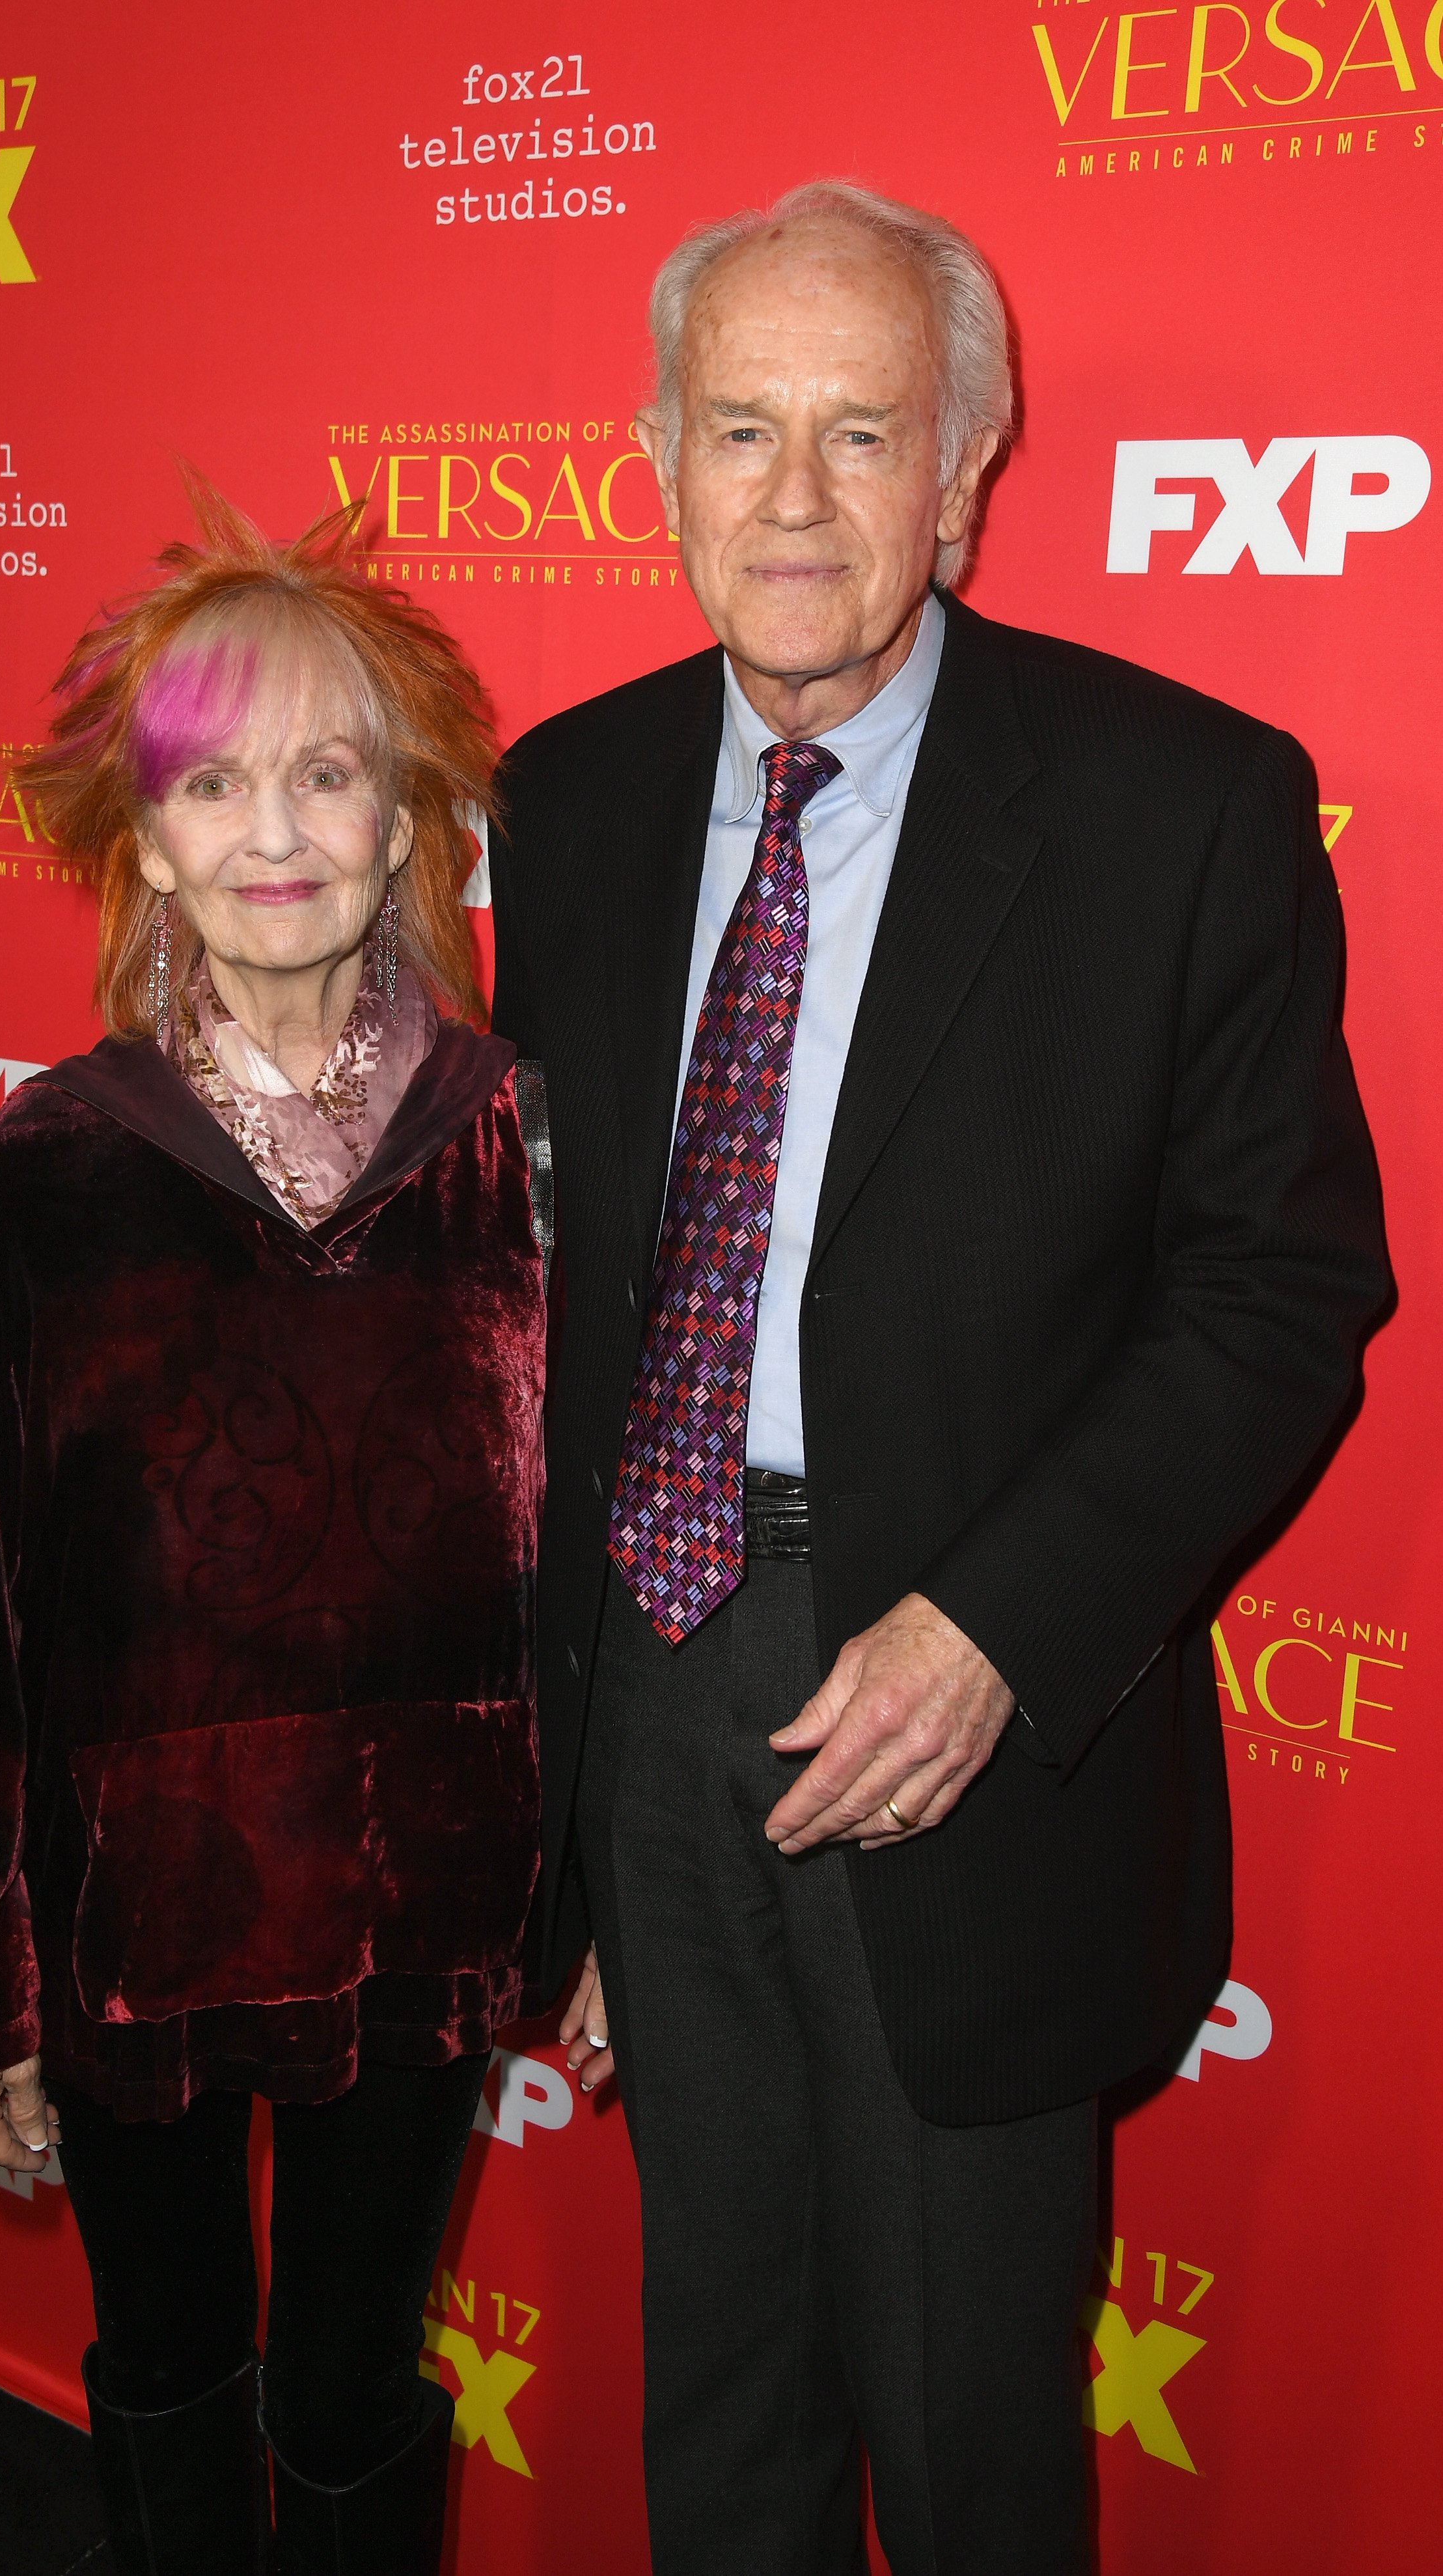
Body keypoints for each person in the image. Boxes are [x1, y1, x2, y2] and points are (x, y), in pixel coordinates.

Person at [493, 182, 1389, 2575]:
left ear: (969, 467)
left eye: (864, 430)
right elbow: (542, 1313)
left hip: (973, 1715)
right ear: (659, 454)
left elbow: (1282, 1290)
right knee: (727, 2397)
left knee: (979, 2435)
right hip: (651, 1692)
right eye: (741, 428)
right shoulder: (560, 802)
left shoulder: (1179, 804)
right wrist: (551, 1777)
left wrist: (996, 1626)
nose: (793, 500)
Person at [0, 486, 548, 2576]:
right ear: (147, 835)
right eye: (212, 780)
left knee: (358, 2379)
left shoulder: (514, 1151)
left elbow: (599, 1565)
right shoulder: (49, 1174)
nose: (273, 829)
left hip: (427, 1901)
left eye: (328, 772)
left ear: (406, 822)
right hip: (137, 1920)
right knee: (171, 2354)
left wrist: (602, 1890)